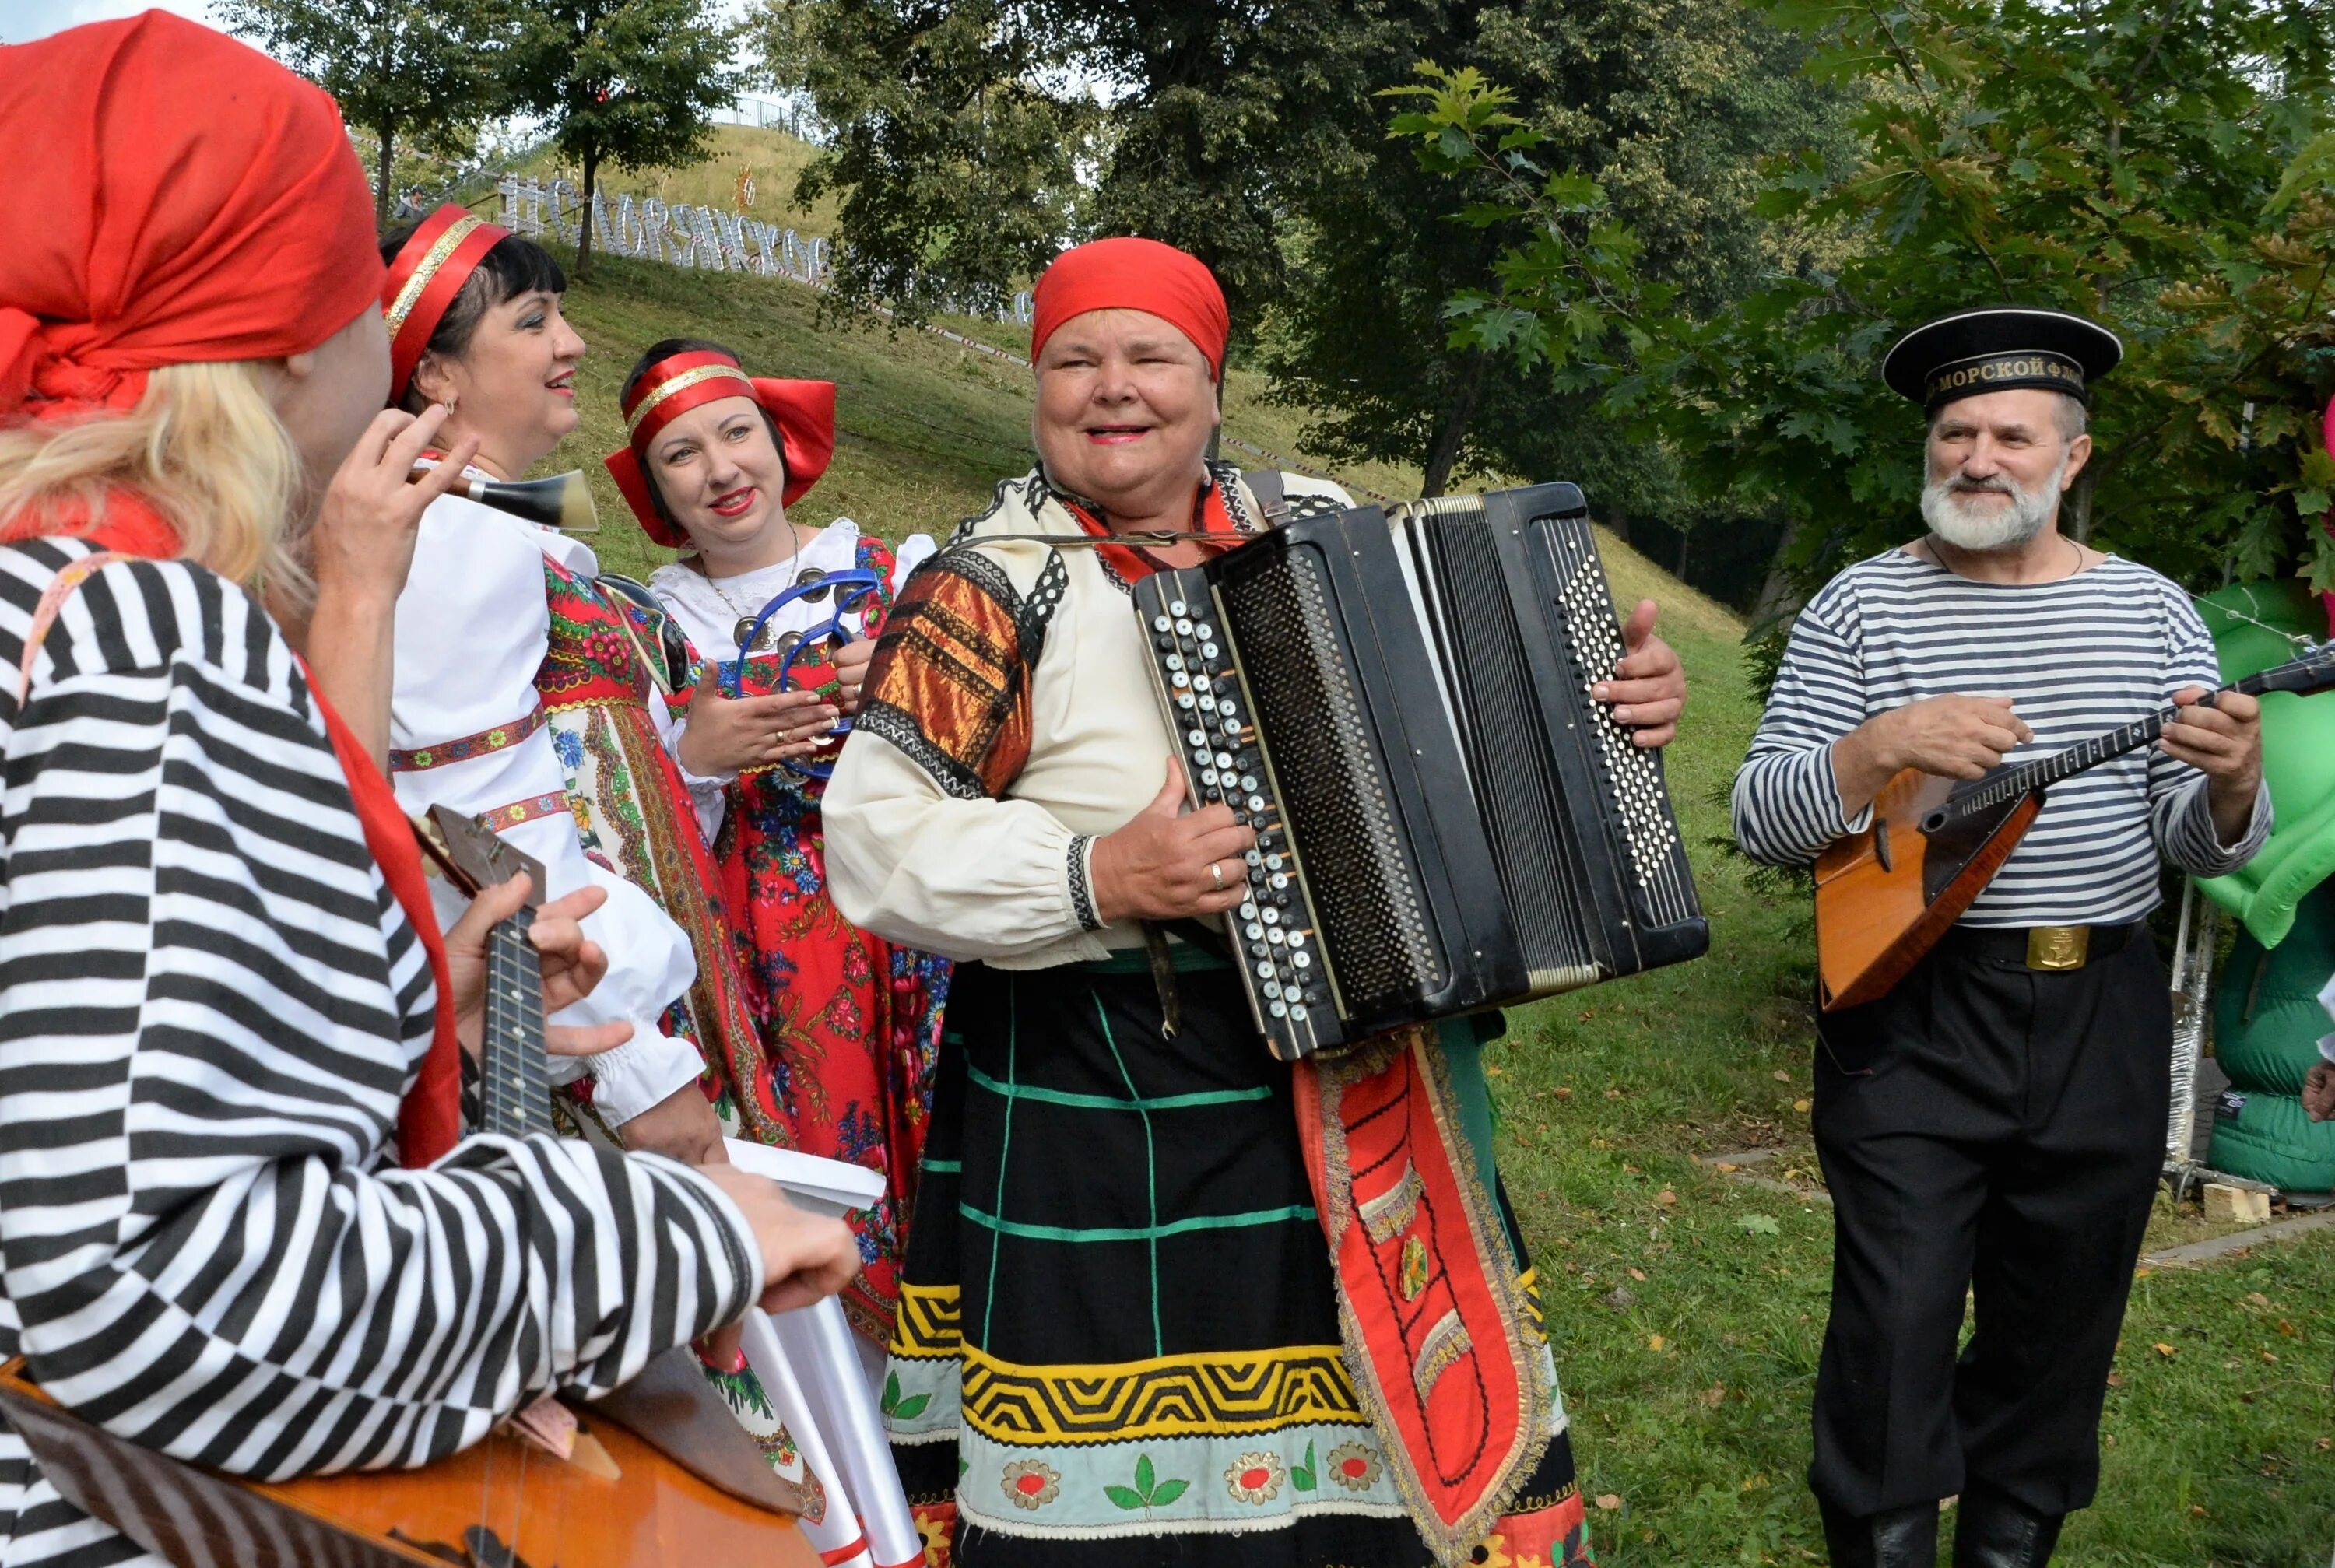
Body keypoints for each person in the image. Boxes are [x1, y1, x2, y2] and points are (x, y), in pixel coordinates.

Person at [0, 15, 857, 1564]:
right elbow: (143, 1276)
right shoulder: (131, 630)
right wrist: (679, 1228)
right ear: (288, 341)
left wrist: (404, 1003)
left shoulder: (36, 604)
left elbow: (68, 1064)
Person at [821, 237, 1686, 1568]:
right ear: (1035, 389)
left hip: (1367, 1090)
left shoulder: (1321, 529)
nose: (1113, 389)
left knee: (1383, 1478)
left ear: (1212, 385)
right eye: (1073, 361)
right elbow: (872, 843)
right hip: (1098, 1096)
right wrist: (1100, 874)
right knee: (1125, 1505)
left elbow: (1469, 732)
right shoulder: (988, 584)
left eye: (1150, 357)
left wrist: (1612, 715)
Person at [1730, 307, 2270, 1568]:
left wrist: (2237, 784)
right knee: (1894, 1324)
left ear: (2070, 459)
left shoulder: (2151, 612)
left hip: (2102, 1017)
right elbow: (1763, 815)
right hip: (1913, 1013)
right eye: (1955, 431)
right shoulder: (1862, 607)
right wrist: (1874, 752)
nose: (1978, 457)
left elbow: (2193, 838)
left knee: (2057, 1334)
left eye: (2011, 435)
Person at [379, 206, 761, 1163]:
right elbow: (470, 817)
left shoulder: (472, 522)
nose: (574, 342)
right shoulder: (454, 537)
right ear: (436, 372)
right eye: (535, 319)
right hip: (561, 1019)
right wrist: (634, 1063)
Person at [609, 339, 948, 1361]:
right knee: (810, 1180)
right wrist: (696, 759)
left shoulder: (902, 574)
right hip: (763, 961)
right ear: (658, 488)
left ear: (779, 438)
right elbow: (633, 826)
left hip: (917, 935)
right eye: (681, 454)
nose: (719, 469)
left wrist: (908, 693)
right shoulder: (645, 628)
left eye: (735, 431)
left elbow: (989, 763)